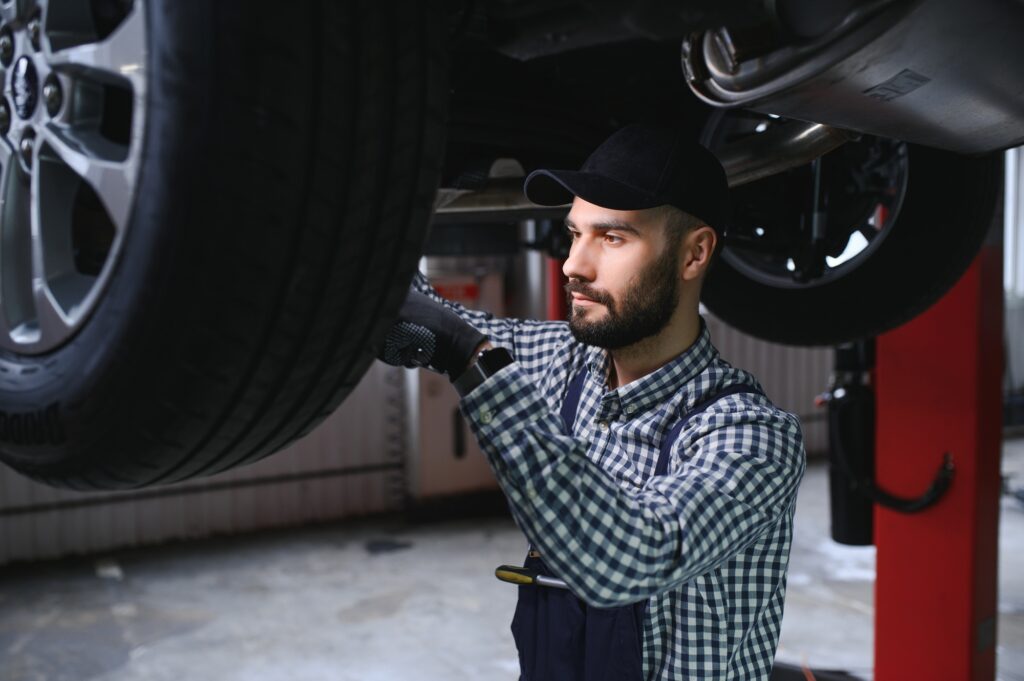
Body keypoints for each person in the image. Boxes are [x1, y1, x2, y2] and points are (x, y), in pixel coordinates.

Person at [377, 124, 807, 680]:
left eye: (611, 238)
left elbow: (629, 559)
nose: (574, 266)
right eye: (574, 234)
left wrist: (473, 362)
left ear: (694, 254)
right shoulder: (564, 361)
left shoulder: (752, 436)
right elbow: (421, 315)